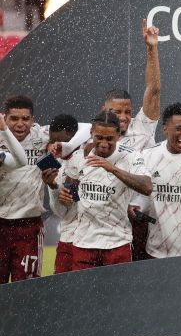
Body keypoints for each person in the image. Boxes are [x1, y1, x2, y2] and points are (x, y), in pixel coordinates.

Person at [0, 96, 89, 281]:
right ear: (4, 118)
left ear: (33, 120)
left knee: (26, 288)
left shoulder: (41, 135)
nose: (20, 124)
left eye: (25, 118)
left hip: (29, 226)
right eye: (14, 118)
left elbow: (88, 127)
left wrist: (65, 145)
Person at [57, 111, 152, 270]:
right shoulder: (80, 156)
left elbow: (147, 187)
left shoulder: (130, 156)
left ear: (118, 135)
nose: (103, 143)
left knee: (116, 295)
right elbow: (70, 190)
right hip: (83, 243)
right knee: (84, 295)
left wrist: (112, 168)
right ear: (91, 133)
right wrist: (64, 195)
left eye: (109, 139)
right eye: (99, 137)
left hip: (117, 243)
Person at [102, 20, 162, 261]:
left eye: (127, 112)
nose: (124, 117)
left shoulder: (142, 128)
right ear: (104, 110)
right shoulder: (95, 137)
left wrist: (151, 49)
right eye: (117, 113)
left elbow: (153, 90)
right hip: (107, 221)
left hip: (138, 220)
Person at [130, 103, 181, 261]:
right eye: (179, 128)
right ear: (165, 129)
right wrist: (137, 206)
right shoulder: (148, 155)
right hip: (155, 249)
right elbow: (145, 195)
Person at [41, 115, 84, 274]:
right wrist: (52, 186)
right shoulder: (50, 161)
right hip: (66, 238)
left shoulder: (89, 155)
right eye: (51, 142)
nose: (54, 146)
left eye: (56, 140)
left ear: (69, 134)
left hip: (90, 240)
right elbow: (60, 212)